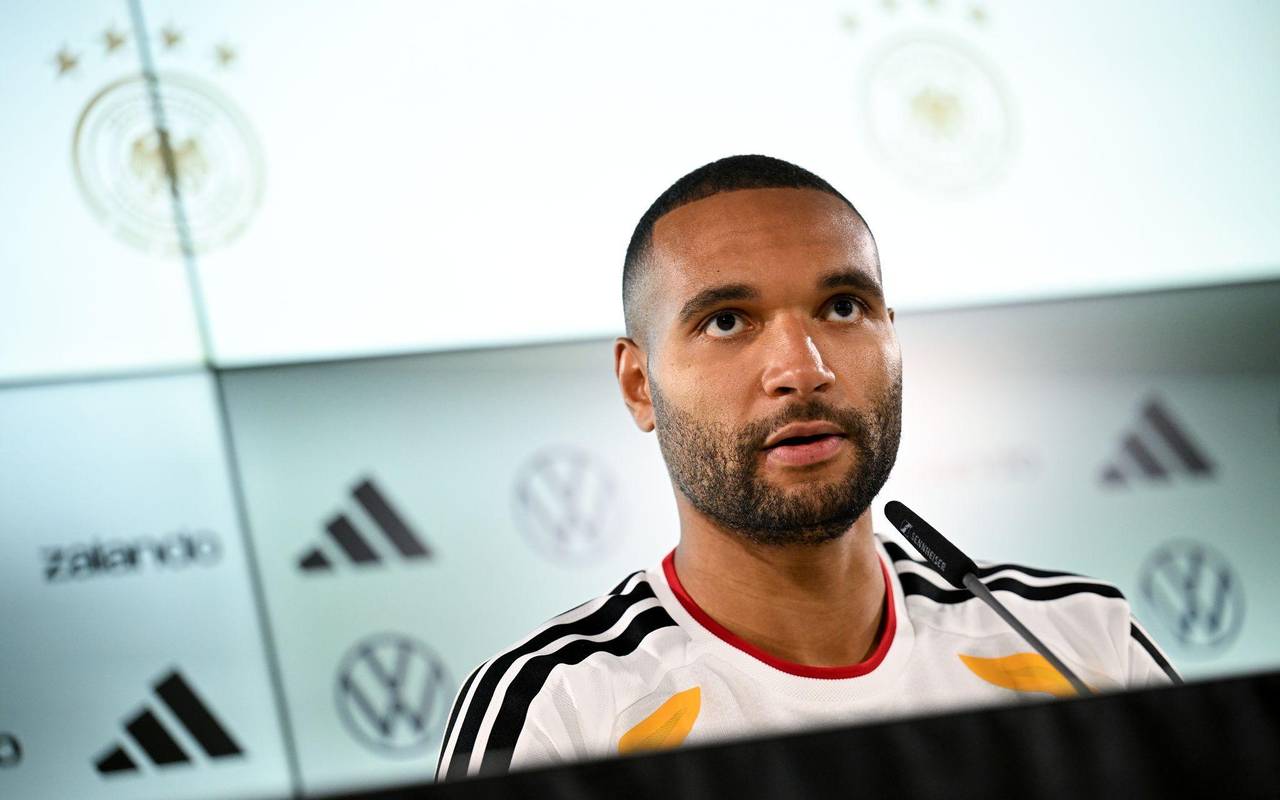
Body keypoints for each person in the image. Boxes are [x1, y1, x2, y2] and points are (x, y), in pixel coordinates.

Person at [434, 155, 1181, 782]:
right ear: (639, 385)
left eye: (843, 307)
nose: (803, 369)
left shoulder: (1083, 638)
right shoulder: (557, 710)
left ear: (892, 335)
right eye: (727, 321)